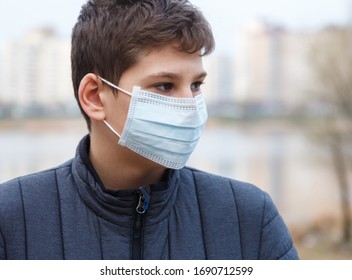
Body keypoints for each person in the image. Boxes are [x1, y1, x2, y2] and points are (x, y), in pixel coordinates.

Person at [0, 0, 299, 260]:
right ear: (94, 96)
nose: (190, 106)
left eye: (196, 85)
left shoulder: (248, 217)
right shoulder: (12, 218)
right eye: (165, 86)